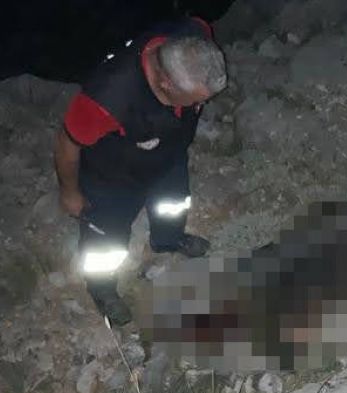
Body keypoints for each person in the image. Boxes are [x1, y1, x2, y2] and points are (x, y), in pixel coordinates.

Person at [53, 16, 227, 327]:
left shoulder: (194, 35)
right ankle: (102, 289)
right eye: (197, 100)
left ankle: (168, 239)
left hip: (168, 156)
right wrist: (70, 192)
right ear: (166, 83)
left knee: (173, 204)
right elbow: (67, 143)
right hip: (112, 177)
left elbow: (197, 24)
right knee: (105, 241)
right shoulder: (107, 98)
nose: (203, 104)